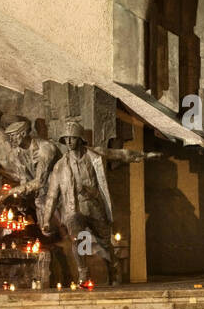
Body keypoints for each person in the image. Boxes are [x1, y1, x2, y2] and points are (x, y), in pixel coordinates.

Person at [41, 120, 158, 287]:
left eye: (72, 138)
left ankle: (114, 269)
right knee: (78, 238)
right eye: (66, 139)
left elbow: (119, 154)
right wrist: (46, 219)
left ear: (80, 139)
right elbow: (52, 195)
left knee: (104, 243)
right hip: (74, 210)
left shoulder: (94, 156)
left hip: (95, 207)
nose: (68, 142)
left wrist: (144, 156)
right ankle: (83, 272)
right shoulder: (60, 167)